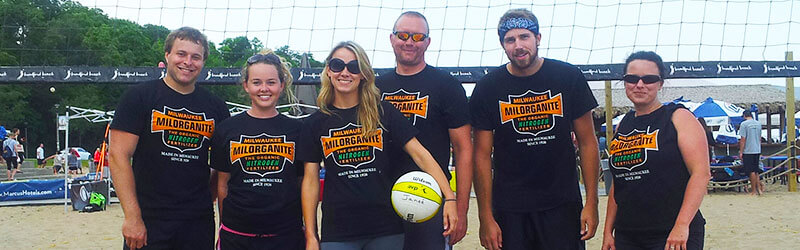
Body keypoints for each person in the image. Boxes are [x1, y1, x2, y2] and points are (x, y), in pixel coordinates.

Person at [297, 41, 457, 250]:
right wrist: (311, 236)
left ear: (363, 74)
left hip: (385, 228)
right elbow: (310, 181)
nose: (345, 72)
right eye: (338, 65)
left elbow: (421, 155)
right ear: (328, 71)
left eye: (354, 67)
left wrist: (450, 198)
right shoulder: (315, 122)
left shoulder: (383, 112)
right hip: (338, 231)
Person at [469, 8, 599, 250]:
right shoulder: (488, 87)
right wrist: (486, 217)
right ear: (502, 44)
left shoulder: (568, 77)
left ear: (538, 38)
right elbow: (482, 155)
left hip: (562, 204)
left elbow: (588, 142)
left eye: (524, 37)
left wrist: (592, 203)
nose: (518, 45)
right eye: (510, 39)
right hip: (510, 208)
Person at [108, 27, 230, 250]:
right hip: (149, 218)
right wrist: (132, 217)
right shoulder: (139, 96)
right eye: (181, 54)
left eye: (196, 57)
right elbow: (117, 156)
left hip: (197, 221)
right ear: (167, 55)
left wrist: (206, 197)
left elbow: (223, 167)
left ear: (203, 62)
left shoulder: (216, 107)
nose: (188, 62)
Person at [375, 11, 473, 249]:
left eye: (418, 37)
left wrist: (460, 207)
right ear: (391, 39)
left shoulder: (446, 85)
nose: (409, 42)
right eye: (403, 35)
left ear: (428, 42)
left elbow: (463, 149)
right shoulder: (375, 87)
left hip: (429, 196)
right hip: (381, 198)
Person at [601, 51, 710, 250]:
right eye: (632, 79)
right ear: (624, 82)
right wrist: (608, 231)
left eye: (649, 79)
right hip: (628, 234)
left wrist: (682, 225)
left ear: (660, 83)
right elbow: (619, 184)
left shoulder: (679, 117)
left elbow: (701, 174)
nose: (640, 85)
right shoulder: (623, 125)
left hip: (671, 233)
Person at [210, 50, 305, 249]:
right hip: (238, 234)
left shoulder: (297, 130)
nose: (264, 89)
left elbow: (300, 183)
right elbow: (223, 184)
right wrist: (223, 226)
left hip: (285, 234)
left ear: (282, 84)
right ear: (246, 85)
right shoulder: (227, 129)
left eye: (271, 82)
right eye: (256, 82)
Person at [738, 110, 764, 195]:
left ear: (744, 116)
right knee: (756, 171)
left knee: (751, 171)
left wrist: (741, 151)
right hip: (757, 149)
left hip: (748, 150)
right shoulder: (758, 124)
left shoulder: (744, 124)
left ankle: (753, 191)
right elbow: (760, 138)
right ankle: (759, 189)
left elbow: (743, 139)